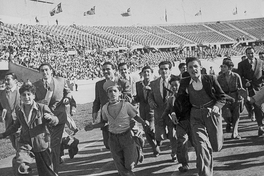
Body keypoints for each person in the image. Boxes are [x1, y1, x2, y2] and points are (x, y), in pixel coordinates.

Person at [178, 57, 229, 176]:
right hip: (195, 115)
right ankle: (205, 173)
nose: (193, 69)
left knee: (215, 146)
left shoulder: (210, 79)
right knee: (201, 145)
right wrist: (175, 112)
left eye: (195, 66)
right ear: (187, 69)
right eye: (190, 67)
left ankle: (207, 158)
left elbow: (222, 97)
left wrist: (217, 107)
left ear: (200, 67)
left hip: (211, 113)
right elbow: (179, 100)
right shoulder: (185, 82)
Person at [85, 80, 148, 176]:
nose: (112, 93)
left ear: (119, 93)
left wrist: (144, 122)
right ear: (107, 94)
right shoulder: (105, 108)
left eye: (115, 91)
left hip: (126, 136)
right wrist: (93, 126)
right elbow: (104, 122)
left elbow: (135, 117)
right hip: (113, 138)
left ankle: (137, 148)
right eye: (110, 91)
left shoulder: (126, 105)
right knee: (120, 167)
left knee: (129, 166)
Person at [0, 83, 59, 176]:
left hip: (41, 143)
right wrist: (4, 134)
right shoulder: (19, 111)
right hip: (25, 143)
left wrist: (51, 118)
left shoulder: (42, 107)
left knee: (47, 172)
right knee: (20, 165)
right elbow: (16, 126)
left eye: (29, 94)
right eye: (24, 95)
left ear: (33, 96)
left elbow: (55, 120)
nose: (26, 97)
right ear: (21, 97)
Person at [33, 63, 72, 174]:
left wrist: (67, 98)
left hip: (59, 118)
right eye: (42, 70)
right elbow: (33, 101)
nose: (44, 72)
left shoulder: (61, 80)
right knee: (48, 146)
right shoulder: (36, 85)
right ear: (39, 72)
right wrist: (40, 103)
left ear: (51, 71)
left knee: (53, 146)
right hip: (44, 119)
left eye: (46, 70)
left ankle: (54, 172)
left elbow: (68, 92)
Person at [92, 61, 132, 149]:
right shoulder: (99, 84)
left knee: (124, 143)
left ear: (114, 70)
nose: (105, 72)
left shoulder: (123, 82)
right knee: (108, 144)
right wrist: (95, 112)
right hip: (106, 118)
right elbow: (97, 100)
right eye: (103, 70)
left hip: (121, 117)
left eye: (108, 69)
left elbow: (128, 98)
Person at [162, 76, 193, 173]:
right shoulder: (171, 99)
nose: (174, 87)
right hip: (180, 124)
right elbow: (167, 111)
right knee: (181, 142)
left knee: (196, 143)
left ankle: (202, 162)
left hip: (192, 122)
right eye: (172, 86)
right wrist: (167, 122)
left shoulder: (189, 96)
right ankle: (184, 164)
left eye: (176, 85)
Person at [148, 61, 178, 162]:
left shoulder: (176, 81)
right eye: (161, 69)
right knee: (160, 136)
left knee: (173, 135)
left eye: (166, 69)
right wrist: (151, 102)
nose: (163, 71)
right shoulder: (153, 83)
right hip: (159, 113)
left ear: (170, 70)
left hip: (172, 113)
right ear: (158, 70)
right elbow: (150, 96)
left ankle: (174, 153)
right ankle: (159, 144)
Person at [133, 66, 160, 157]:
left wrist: (151, 90)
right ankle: (155, 147)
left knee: (151, 128)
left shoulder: (154, 84)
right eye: (144, 72)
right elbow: (138, 98)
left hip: (152, 110)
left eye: (148, 72)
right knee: (146, 130)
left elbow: (158, 96)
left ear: (151, 73)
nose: (146, 74)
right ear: (142, 73)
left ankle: (158, 141)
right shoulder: (138, 84)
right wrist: (134, 99)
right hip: (142, 111)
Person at [237, 47, 264, 136]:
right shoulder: (241, 64)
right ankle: (259, 123)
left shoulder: (260, 62)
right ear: (246, 54)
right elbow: (239, 76)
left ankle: (260, 125)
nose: (250, 55)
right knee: (251, 104)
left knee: (258, 107)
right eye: (248, 53)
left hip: (259, 88)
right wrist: (245, 82)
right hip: (248, 89)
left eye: (252, 53)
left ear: (254, 52)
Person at [217, 58, 244, 139]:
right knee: (226, 115)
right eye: (222, 67)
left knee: (236, 115)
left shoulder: (236, 76)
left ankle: (235, 133)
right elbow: (218, 89)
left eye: (224, 67)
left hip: (236, 97)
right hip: (225, 98)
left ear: (230, 67)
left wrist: (240, 97)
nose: (222, 68)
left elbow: (240, 88)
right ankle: (229, 123)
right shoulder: (219, 77)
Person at [0, 72, 21, 150]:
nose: (5, 82)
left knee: (21, 147)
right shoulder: (1, 93)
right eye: (5, 80)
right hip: (9, 124)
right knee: (15, 146)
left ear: (15, 81)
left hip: (21, 124)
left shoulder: (22, 92)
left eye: (8, 80)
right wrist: (1, 116)